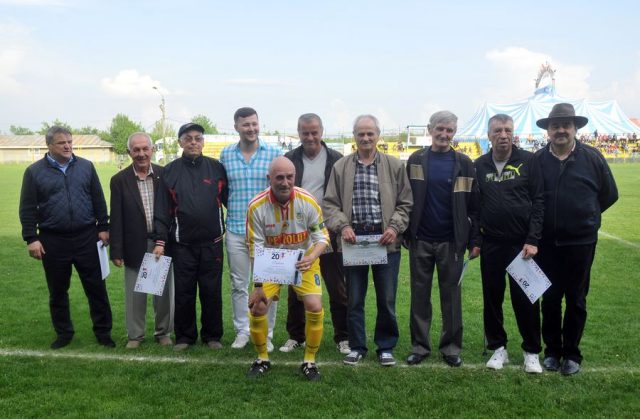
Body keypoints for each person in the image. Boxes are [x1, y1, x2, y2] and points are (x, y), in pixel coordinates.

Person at [535, 103, 618, 375]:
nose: (560, 130)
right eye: (555, 126)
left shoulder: (592, 158)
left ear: (575, 128)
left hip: (581, 244)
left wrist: (587, 217)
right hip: (546, 244)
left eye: (566, 125)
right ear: (548, 131)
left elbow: (609, 194)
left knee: (576, 299)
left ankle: (572, 354)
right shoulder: (538, 160)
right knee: (549, 299)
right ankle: (552, 352)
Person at [323, 114, 412, 366]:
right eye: (361, 134)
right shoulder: (341, 167)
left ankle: (385, 346)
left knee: (386, 298)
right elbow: (330, 204)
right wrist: (343, 226)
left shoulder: (394, 165)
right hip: (353, 241)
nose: (365, 138)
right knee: (354, 298)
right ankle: (357, 346)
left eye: (370, 133)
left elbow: (406, 202)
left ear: (378, 135)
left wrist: (394, 227)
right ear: (354, 136)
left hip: (385, 240)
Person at [19, 125, 114, 349]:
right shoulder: (34, 172)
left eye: (70, 142)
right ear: (49, 145)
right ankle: (64, 333)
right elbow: (27, 208)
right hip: (53, 240)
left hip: (87, 237)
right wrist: (31, 238)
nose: (67, 146)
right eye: (61, 143)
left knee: (96, 288)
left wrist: (103, 226)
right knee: (58, 291)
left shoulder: (86, 167)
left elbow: (98, 199)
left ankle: (103, 332)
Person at [404, 110, 480, 367]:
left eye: (449, 130)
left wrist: (474, 240)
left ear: (454, 132)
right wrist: (406, 233)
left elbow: (474, 207)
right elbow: (406, 199)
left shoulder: (465, 163)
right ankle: (419, 346)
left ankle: (451, 348)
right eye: (440, 129)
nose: (444, 134)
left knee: (452, 298)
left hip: (452, 242)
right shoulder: (415, 159)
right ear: (430, 129)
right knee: (419, 296)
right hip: (421, 240)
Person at [245, 157, 329, 380]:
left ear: (295, 177)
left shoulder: (307, 201)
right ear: (269, 178)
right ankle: (262, 358)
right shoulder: (256, 206)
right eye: (279, 177)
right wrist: (258, 286)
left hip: (304, 259)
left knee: (314, 306)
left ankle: (309, 361)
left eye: (289, 177)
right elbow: (255, 249)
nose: (285, 182)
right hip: (271, 262)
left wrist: (311, 257)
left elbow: (322, 238)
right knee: (257, 307)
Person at [474, 114, 544, 373]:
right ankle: (498, 348)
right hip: (491, 243)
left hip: (521, 245)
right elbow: (475, 207)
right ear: (489, 135)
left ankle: (531, 351)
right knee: (492, 298)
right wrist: (477, 240)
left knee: (526, 299)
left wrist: (532, 239)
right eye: (497, 131)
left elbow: (539, 202)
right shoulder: (479, 165)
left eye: (507, 130)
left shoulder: (529, 161)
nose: (503, 135)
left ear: (513, 133)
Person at [153, 123, 228, 351]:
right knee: (184, 292)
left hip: (212, 244)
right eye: (188, 138)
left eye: (198, 138)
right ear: (180, 142)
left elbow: (228, 200)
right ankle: (185, 337)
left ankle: (212, 335)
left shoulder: (217, 168)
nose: (193, 142)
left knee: (211, 291)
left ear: (203, 142)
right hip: (182, 245)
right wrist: (160, 241)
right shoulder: (170, 171)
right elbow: (162, 210)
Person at [280, 113, 350, 355]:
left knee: (337, 288)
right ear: (298, 133)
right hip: (298, 234)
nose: (310, 137)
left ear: (322, 132)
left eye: (314, 132)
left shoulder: (337, 159)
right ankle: (296, 336)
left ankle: (343, 336)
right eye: (305, 133)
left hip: (329, 231)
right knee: (296, 289)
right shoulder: (289, 158)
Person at [220, 107, 281, 351]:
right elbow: (224, 191)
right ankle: (243, 331)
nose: (251, 128)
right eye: (246, 124)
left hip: (267, 232)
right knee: (239, 284)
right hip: (236, 229)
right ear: (236, 126)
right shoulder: (226, 155)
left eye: (254, 124)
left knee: (269, 284)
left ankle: (266, 333)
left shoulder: (273, 153)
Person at [110, 132, 174, 349]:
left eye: (145, 148)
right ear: (129, 152)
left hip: (161, 242)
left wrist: (164, 240)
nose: (141, 154)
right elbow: (116, 217)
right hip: (133, 243)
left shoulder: (165, 174)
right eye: (136, 150)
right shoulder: (119, 180)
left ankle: (163, 332)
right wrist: (116, 250)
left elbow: (170, 211)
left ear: (152, 150)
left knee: (163, 291)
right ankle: (135, 335)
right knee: (135, 292)